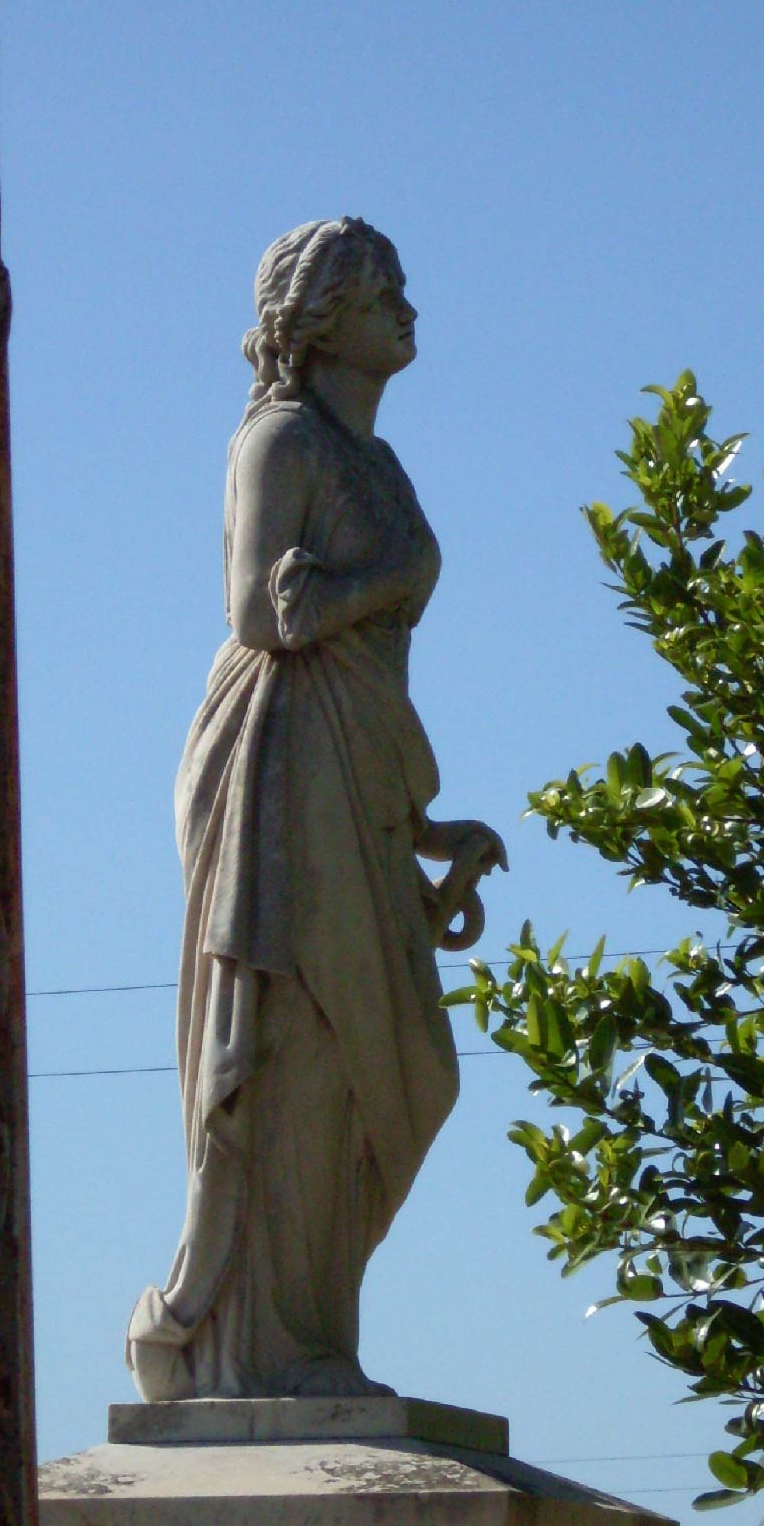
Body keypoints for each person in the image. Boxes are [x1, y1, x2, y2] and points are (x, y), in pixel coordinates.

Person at [125, 218, 504, 1401]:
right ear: (322, 314)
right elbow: (257, 615)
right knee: (291, 1043)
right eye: (383, 288)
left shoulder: (376, 460)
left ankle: (310, 1339)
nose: (407, 307)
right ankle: (246, 1346)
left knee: (389, 1066)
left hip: (351, 774)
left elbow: (345, 647)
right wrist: (383, 584)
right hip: (274, 765)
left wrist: (425, 830)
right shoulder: (279, 439)